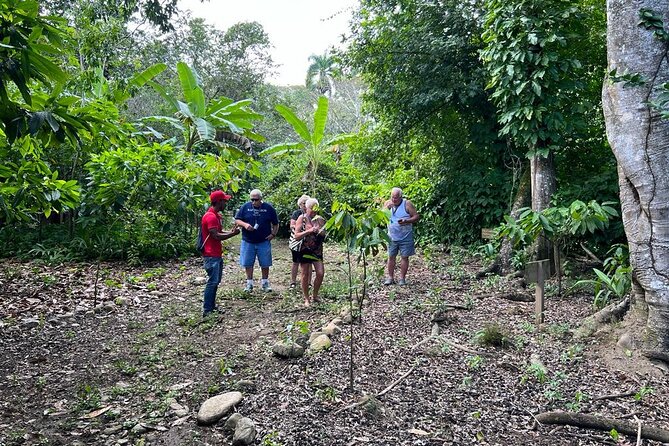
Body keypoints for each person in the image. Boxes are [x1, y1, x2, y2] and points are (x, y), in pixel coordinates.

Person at [201, 190, 241, 317]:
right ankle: (207, 309)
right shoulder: (210, 217)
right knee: (212, 282)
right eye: (224, 201)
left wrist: (229, 232)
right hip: (211, 254)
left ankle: (211, 307)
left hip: (215, 254)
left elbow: (219, 232)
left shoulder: (216, 215)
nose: (226, 203)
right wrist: (232, 234)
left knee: (215, 281)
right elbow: (216, 236)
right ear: (218, 202)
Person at [234, 189, 279, 292]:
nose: (254, 202)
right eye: (252, 200)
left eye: (256, 199)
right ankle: (249, 283)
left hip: (263, 240)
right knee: (247, 263)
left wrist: (273, 234)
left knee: (265, 262)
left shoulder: (269, 208)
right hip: (248, 241)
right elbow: (237, 219)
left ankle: (265, 282)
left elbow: (276, 223)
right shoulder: (245, 207)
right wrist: (245, 225)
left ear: (261, 199)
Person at [383, 187, 420, 286]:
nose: (394, 200)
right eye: (392, 197)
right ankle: (390, 278)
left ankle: (402, 279)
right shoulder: (387, 203)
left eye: (396, 198)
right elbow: (381, 217)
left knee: (404, 257)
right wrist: (386, 209)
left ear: (401, 197)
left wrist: (406, 221)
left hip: (405, 236)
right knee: (391, 257)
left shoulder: (407, 204)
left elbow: (416, 216)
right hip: (392, 236)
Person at [293, 198, 326, 306]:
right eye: (311, 210)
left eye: (315, 210)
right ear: (307, 208)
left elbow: (325, 234)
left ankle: (315, 295)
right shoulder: (301, 218)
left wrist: (320, 232)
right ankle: (306, 298)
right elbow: (296, 236)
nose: (313, 212)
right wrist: (309, 231)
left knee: (320, 273)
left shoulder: (320, 219)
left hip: (317, 250)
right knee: (305, 274)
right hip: (304, 249)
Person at [289, 194, 310, 289]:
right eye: (303, 203)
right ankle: (293, 281)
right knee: (295, 261)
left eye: (307, 203)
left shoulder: (312, 213)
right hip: (297, 241)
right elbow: (292, 225)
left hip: (309, 241)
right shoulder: (297, 213)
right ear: (300, 204)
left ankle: (308, 282)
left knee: (308, 262)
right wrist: (301, 227)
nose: (305, 205)